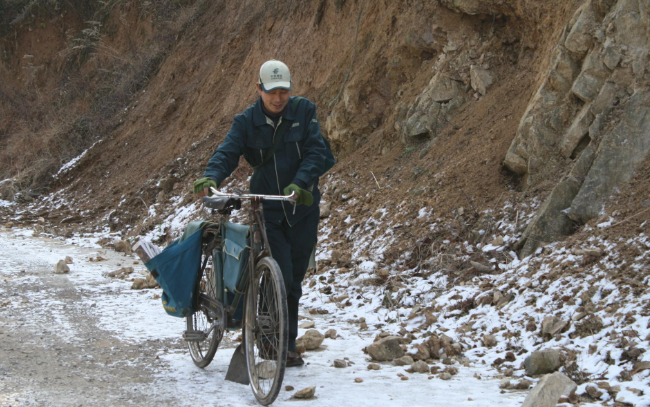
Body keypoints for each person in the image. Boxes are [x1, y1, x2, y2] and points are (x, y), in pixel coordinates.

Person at [193, 59, 334, 367]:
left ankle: (288, 342)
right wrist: (212, 176)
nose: (278, 98)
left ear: (290, 90)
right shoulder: (246, 121)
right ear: (259, 89)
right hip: (267, 206)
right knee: (278, 274)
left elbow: (316, 152)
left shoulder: (304, 112)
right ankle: (271, 344)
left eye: (283, 91)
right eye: (271, 92)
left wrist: (299, 184)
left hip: (302, 206)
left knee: (294, 279)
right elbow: (228, 151)